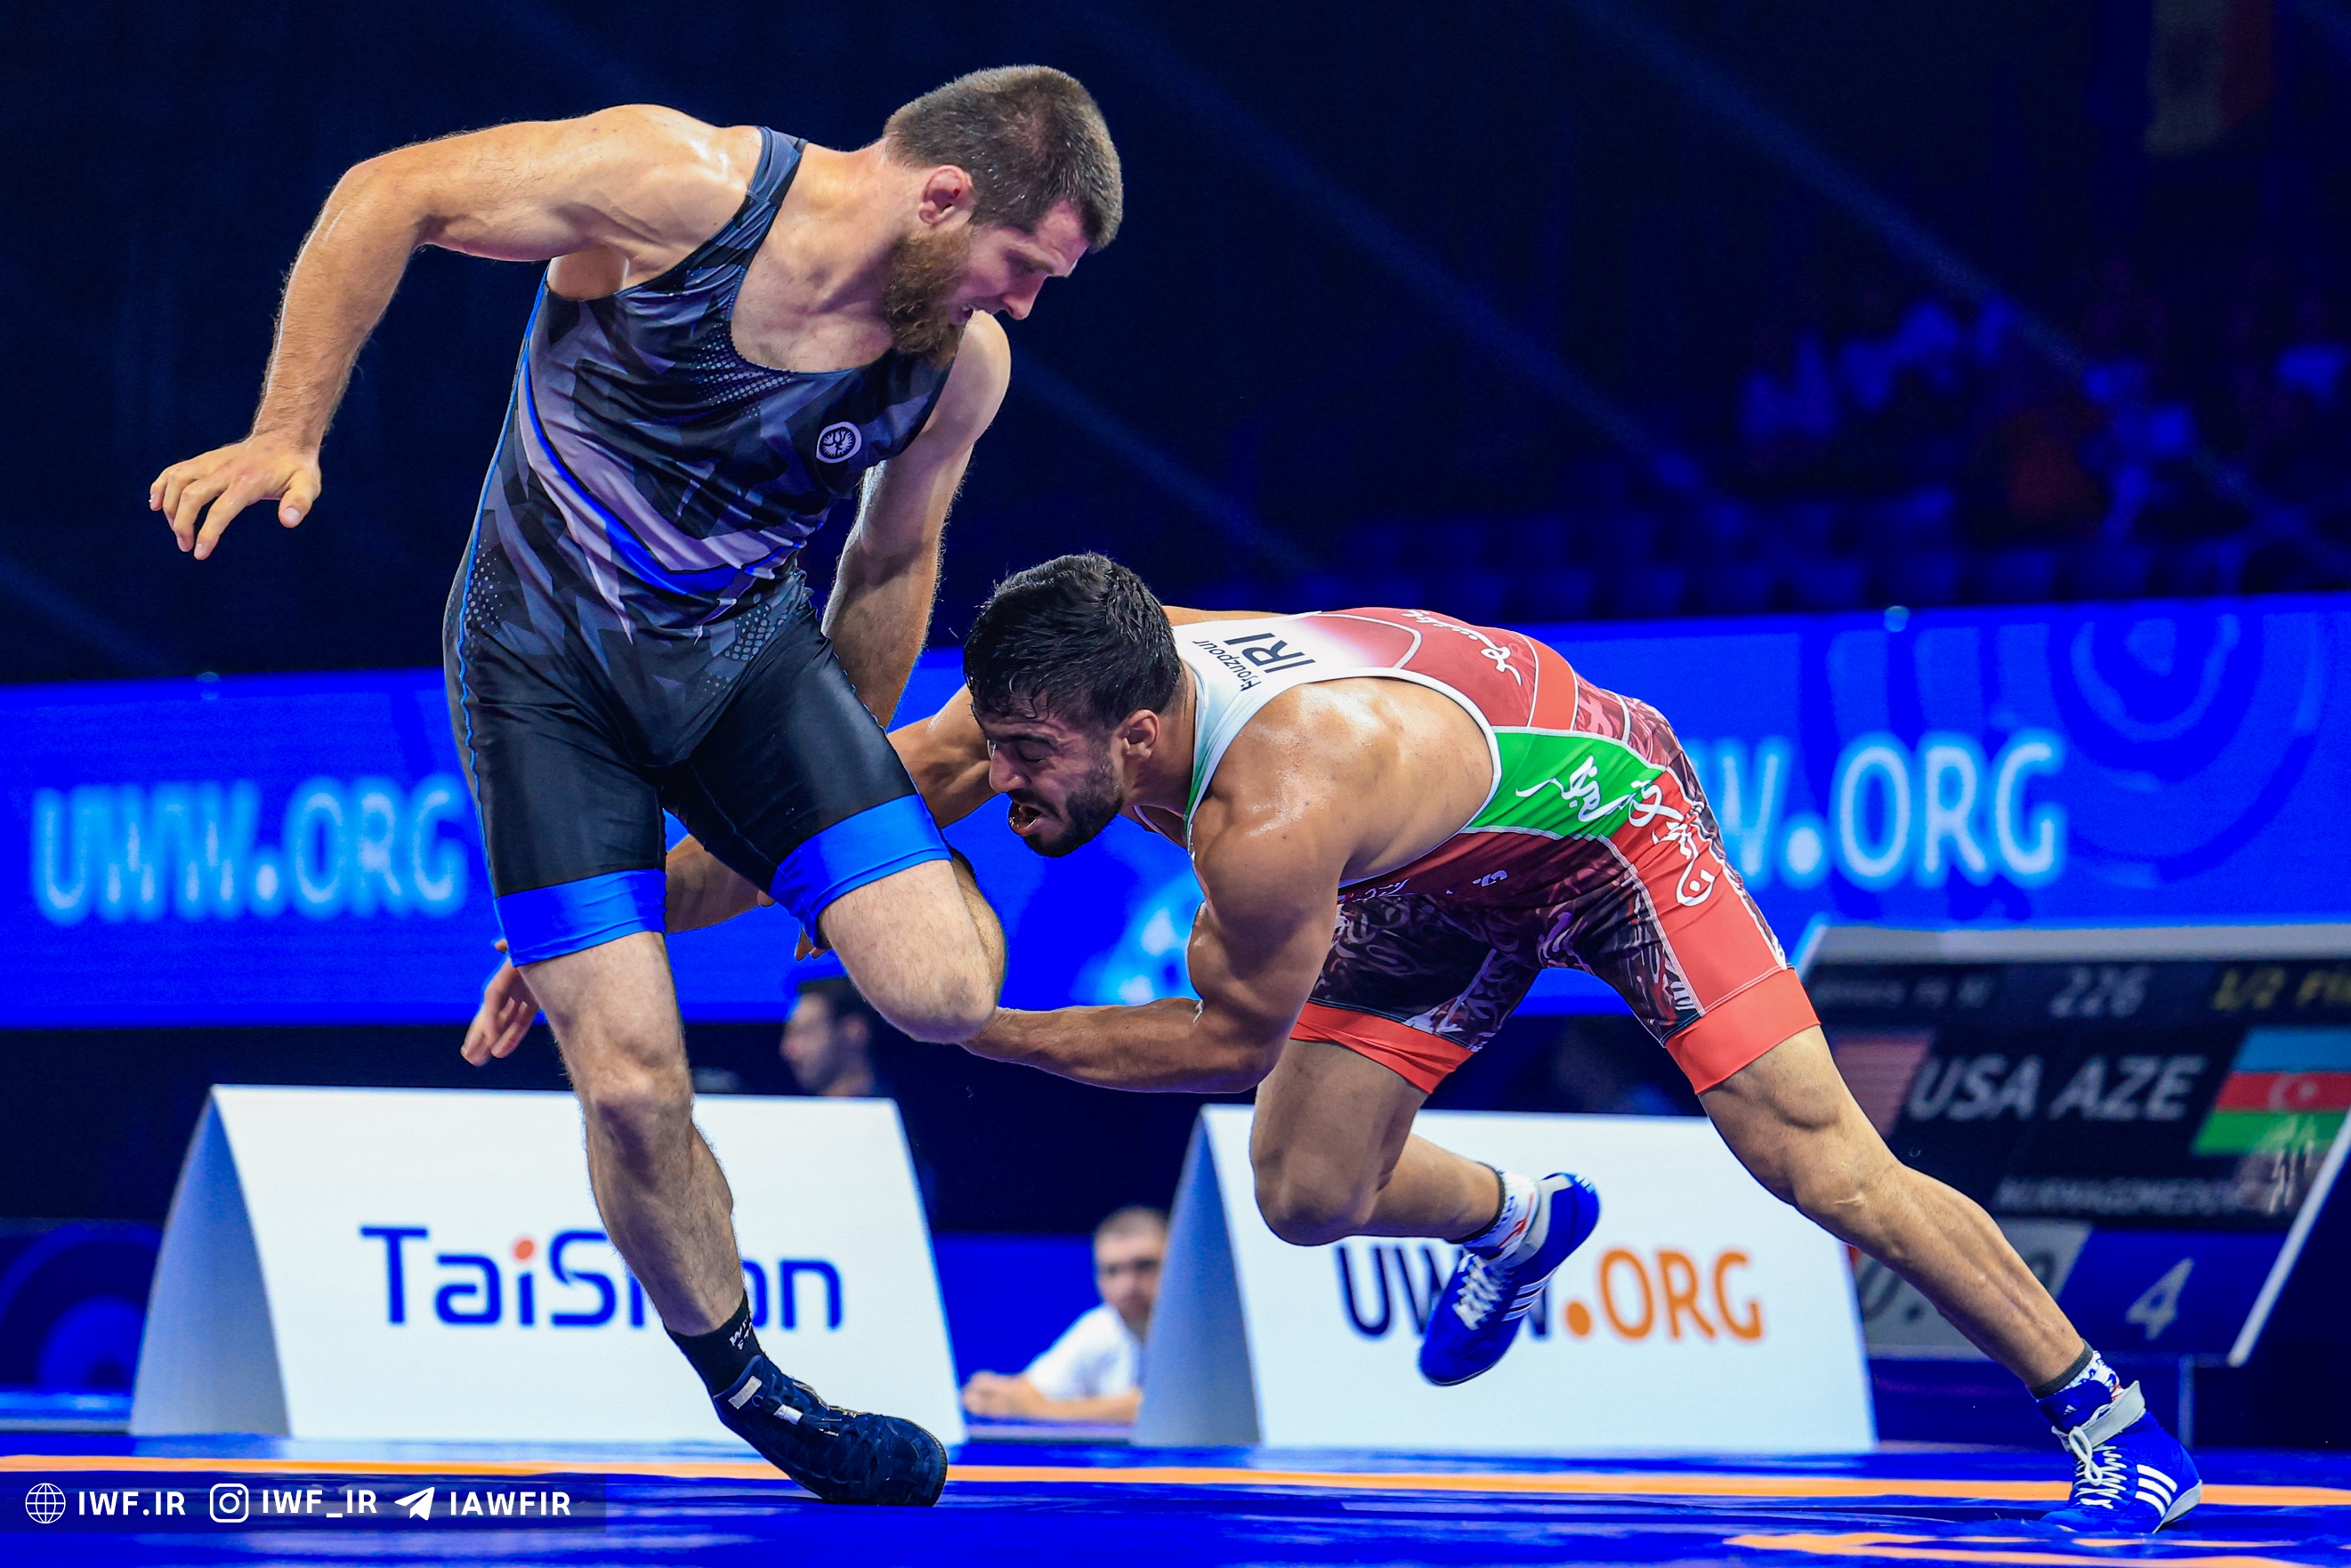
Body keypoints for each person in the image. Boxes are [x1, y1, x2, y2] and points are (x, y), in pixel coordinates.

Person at [473, 554, 2199, 1532]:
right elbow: (803, 833)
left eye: (1028, 768)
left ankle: (2106, 1412)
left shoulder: (1270, 809)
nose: (1001, 788)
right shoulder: (1071, 701)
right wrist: (578, 942)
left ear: (1134, 733)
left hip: (1603, 824)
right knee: (1302, 1190)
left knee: (1811, 1156)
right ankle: (1517, 1221)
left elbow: (1228, 1037)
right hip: (1423, 875)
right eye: (993, 752)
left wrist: (989, 1027)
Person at [154, 71, 1121, 1507]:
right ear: (941, 196)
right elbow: (389, 191)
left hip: (743, 665)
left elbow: (890, 560)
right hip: (539, 673)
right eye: (1023, 265)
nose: (1023, 306)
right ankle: (756, 1388)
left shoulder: (955, 363)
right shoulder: (681, 188)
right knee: (626, 1086)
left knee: (938, 990)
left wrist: (840, 824)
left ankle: (899, 866)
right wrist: (289, 431)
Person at [962, 1207, 1165, 1425]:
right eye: (1112, 1271)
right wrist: (1001, 1395)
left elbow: (1162, 1406)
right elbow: (1029, 1393)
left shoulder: (1193, 1331)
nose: (1127, 1286)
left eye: (1145, 1266)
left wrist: (1042, 1411)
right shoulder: (1102, 1325)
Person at [785, 978, 885, 1098]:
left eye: (806, 1032)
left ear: (855, 1032)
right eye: (790, 1033)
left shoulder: (896, 1108)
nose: (788, 1050)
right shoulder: (786, 1108)